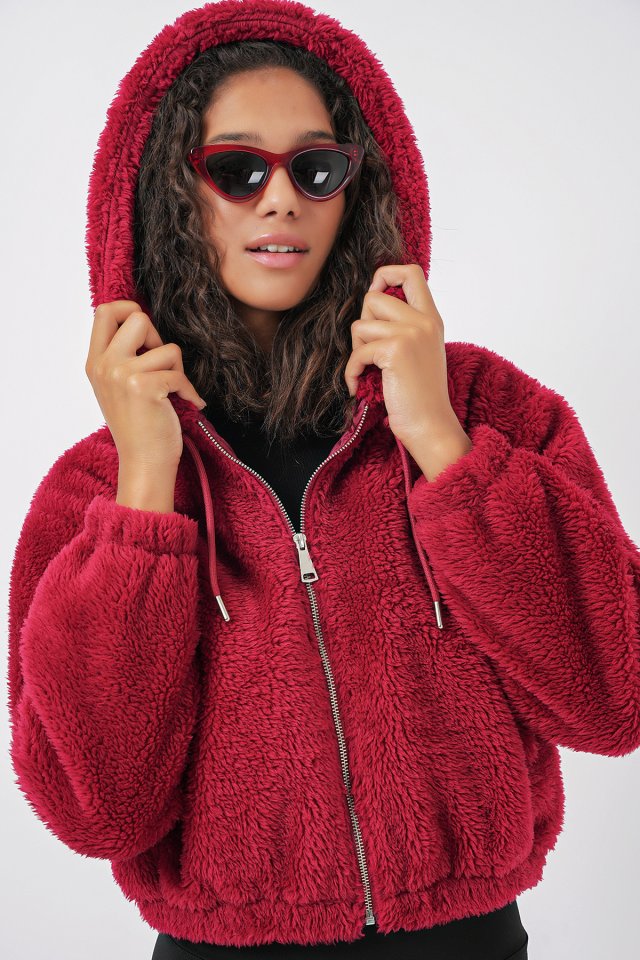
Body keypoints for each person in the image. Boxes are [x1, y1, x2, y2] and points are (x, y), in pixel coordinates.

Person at [7, 1, 640, 958]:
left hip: (469, 943)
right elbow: (99, 810)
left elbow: (614, 698)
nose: (280, 200)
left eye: (315, 169)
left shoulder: (486, 408)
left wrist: (440, 441)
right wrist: (145, 487)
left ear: (357, 187)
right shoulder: (98, 486)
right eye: (236, 170)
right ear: (169, 194)